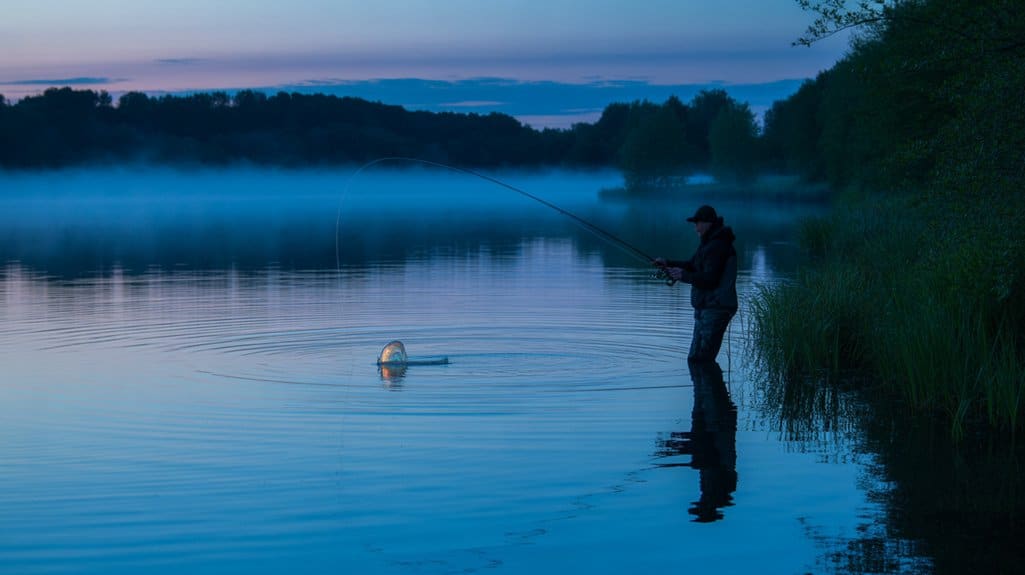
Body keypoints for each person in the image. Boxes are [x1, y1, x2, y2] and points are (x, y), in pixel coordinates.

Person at [655, 205, 738, 362]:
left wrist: (683, 275)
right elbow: (692, 265)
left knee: (702, 361)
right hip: (706, 307)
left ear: (708, 223)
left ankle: (710, 386)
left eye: (697, 224)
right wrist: (667, 263)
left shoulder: (718, 245)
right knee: (694, 360)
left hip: (716, 308)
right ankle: (705, 385)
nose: (696, 229)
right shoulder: (708, 243)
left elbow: (710, 280)